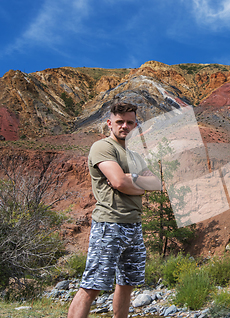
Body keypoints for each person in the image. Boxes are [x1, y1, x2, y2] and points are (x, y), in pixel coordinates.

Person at [68, 102, 160, 318]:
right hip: (110, 224)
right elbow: (118, 182)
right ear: (110, 123)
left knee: (127, 282)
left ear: (135, 125)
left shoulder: (135, 156)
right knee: (93, 285)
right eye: (120, 122)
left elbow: (156, 183)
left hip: (133, 226)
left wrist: (133, 181)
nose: (124, 126)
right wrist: (138, 186)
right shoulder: (103, 147)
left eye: (129, 122)